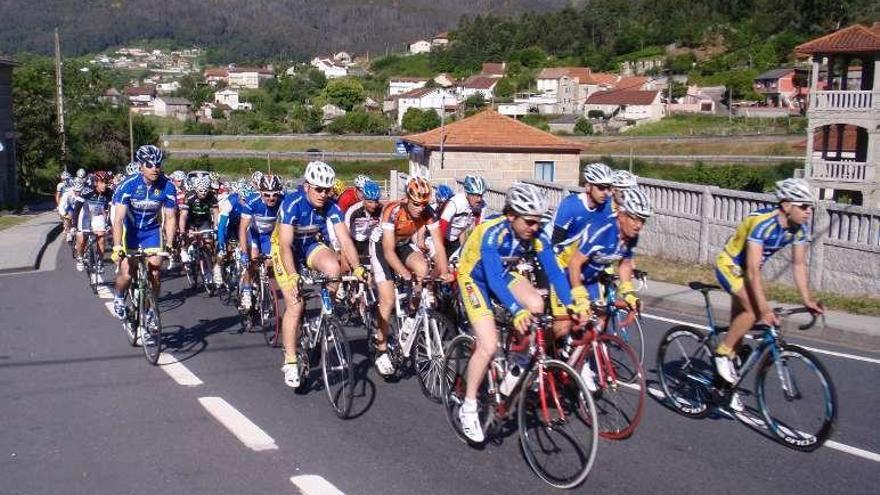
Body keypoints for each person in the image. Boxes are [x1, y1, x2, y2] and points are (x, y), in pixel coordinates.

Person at [455, 183, 587, 442]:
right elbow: (492, 279)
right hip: (474, 279)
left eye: (538, 222)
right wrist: (515, 309)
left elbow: (554, 272)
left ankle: (518, 360)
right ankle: (468, 406)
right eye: (528, 221)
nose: (534, 228)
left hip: (504, 274)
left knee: (537, 306)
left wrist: (572, 303)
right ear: (511, 216)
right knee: (489, 345)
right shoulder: (492, 233)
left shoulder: (537, 237)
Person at [713, 178, 823, 395]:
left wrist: (807, 300)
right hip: (730, 265)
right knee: (753, 312)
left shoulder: (799, 229)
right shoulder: (763, 224)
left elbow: (799, 265)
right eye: (803, 206)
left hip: (746, 271)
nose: (808, 211)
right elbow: (753, 271)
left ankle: (723, 390)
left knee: (740, 330)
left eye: (810, 207)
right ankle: (721, 354)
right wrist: (764, 310)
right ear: (786, 205)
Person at [271, 161, 366, 387]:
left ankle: (326, 313)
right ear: (307, 186)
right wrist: (293, 275)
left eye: (328, 189)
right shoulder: (291, 203)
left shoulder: (332, 206)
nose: (323, 194)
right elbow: (285, 245)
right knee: (295, 304)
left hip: (309, 245)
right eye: (318, 189)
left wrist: (357, 267)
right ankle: (291, 360)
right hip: (285, 249)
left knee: (333, 269)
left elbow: (345, 240)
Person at [563, 188, 653, 389]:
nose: (639, 225)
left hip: (592, 279)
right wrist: (579, 295)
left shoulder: (631, 236)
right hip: (568, 275)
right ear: (621, 214)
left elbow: (624, 264)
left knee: (599, 321)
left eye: (643, 220)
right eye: (635, 218)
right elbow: (574, 264)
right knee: (569, 324)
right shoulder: (601, 230)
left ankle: (583, 362)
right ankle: (561, 349)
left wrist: (629, 294)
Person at [369, 176, 453, 377]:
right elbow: (388, 251)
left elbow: (439, 246)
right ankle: (381, 347)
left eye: (423, 204)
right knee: (388, 299)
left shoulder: (428, 213)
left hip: (403, 244)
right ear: (407, 198)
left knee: (423, 269)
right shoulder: (393, 210)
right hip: (382, 247)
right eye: (416, 203)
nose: (419, 208)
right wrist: (404, 274)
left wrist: (445, 270)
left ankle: (412, 315)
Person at [110, 145, 177, 325]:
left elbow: (170, 218)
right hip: (129, 232)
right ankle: (119, 295)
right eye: (149, 164)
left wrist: (170, 244)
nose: (155, 168)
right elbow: (118, 219)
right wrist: (116, 247)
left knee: (155, 272)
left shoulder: (168, 187)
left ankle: (150, 309)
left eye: (158, 164)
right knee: (127, 274)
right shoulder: (128, 186)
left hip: (151, 232)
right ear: (141, 166)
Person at [548, 162, 614, 259]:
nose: (606, 193)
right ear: (588, 187)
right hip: (555, 247)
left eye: (608, 188)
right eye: (601, 188)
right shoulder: (571, 205)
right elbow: (556, 241)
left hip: (580, 253)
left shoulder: (607, 206)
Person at [238, 174, 284, 310]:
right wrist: (243, 252)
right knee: (252, 261)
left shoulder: (283, 201)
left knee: (270, 263)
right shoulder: (252, 202)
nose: (271, 198)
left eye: (274, 194)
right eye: (267, 195)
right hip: (254, 234)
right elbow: (242, 228)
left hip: (269, 235)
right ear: (260, 193)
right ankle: (246, 290)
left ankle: (264, 286)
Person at [179, 175, 220, 285]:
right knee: (190, 238)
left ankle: (207, 269)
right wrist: (183, 232)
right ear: (196, 190)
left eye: (206, 191)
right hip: (191, 220)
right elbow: (183, 216)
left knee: (207, 244)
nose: (203, 193)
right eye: (201, 191)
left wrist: (216, 227)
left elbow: (216, 213)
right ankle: (184, 250)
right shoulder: (189, 196)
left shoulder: (211, 196)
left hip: (204, 220)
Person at [71, 172, 113, 280]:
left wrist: (110, 224)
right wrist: (74, 225)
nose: (105, 185)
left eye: (106, 183)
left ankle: (100, 261)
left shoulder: (109, 193)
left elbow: (112, 210)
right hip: (85, 215)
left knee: (101, 238)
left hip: (98, 216)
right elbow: (76, 209)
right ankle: (80, 257)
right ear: (96, 183)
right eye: (102, 182)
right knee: (81, 237)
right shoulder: (87, 191)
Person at [439, 175, 487, 256]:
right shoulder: (456, 203)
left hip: (456, 240)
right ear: (467, 193)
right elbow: (441, 227)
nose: (479, 199)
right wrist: (440, 250)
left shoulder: (482, 205)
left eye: (481, 195)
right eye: (476, 195)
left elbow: (477, 229)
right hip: (440, 237)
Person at [344, 180, 383, 258]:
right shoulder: (353, 211)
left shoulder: (381, 209)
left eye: (376, 202)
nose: (374, 205)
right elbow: (345, 234)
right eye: (370, 202)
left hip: (369, 239)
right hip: (353, 239)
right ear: (363, 199)